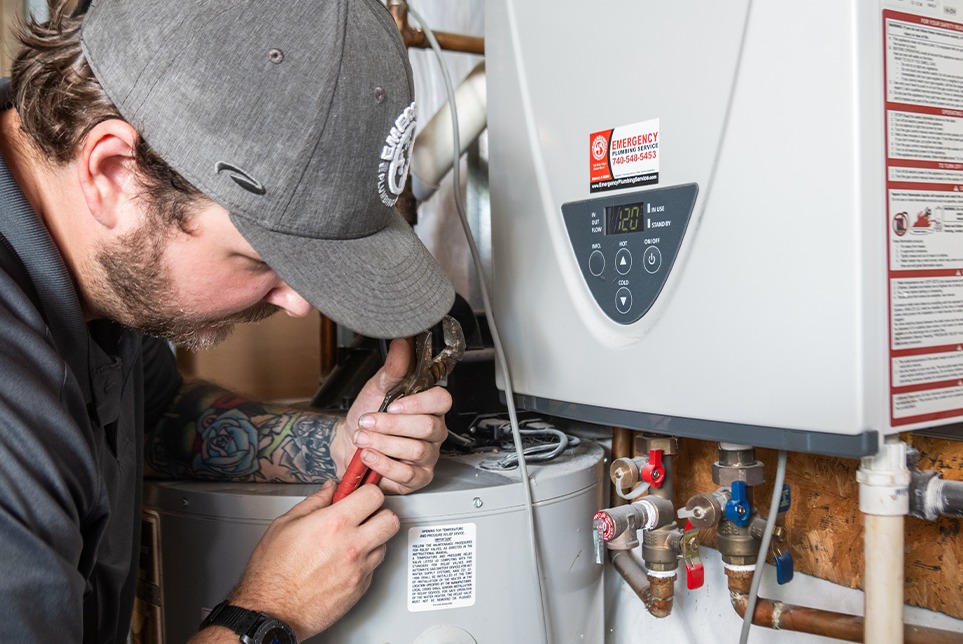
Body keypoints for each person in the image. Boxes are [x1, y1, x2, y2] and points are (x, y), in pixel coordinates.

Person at [0, 0, 456, 642]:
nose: (299, 302)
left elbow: (157, 417)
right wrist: (266, 614)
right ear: (112, 173)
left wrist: (338, 444)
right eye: (260, 257)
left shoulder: (95, 272)